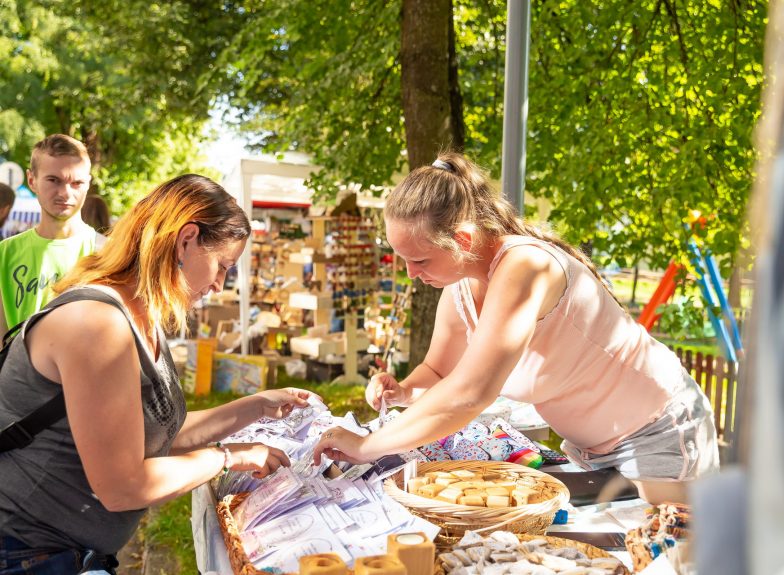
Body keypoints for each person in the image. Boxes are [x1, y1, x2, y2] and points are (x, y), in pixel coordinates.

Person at [314, 152, 719, 504]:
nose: (410, 273)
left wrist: (367, 446)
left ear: (462, 239)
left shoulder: (524, 267)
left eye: (420, 260)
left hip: (658, 429)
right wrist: (404, 391)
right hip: (592, 446)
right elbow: (438, 374)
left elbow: (470, 394)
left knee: (671, 553)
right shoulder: (459, 288)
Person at [0, 174, 313, 574]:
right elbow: (124, 485)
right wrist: (230, 457)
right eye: (223, 265)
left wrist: (257, 406)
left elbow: (156, 437)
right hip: (29, 553)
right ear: (186, 240)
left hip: (64, 552)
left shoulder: (138, 316)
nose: (220, 283)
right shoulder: (99, 325)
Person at [0, 134, 100, 335]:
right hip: (16, 366)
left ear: (88, 183)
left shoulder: (106, 252)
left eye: (76, 183)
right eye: (54, 180)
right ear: (32, 180)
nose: (65, 193)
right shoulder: (5, 253)